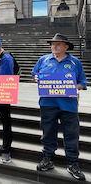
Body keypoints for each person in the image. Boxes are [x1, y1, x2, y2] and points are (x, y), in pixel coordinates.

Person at [32, 33, 87, 181]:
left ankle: (73, 163)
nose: (54, 46)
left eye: (58, 44)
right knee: (48, 132)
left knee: (71, 135)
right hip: (47, 104)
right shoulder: (43, 60)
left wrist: (77, 88)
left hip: (68, 105)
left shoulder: (75, 62)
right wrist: (36, 77)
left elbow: (82, 81)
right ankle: (48, 158)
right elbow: (35, 73)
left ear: (66, 47)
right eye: (53, 44)